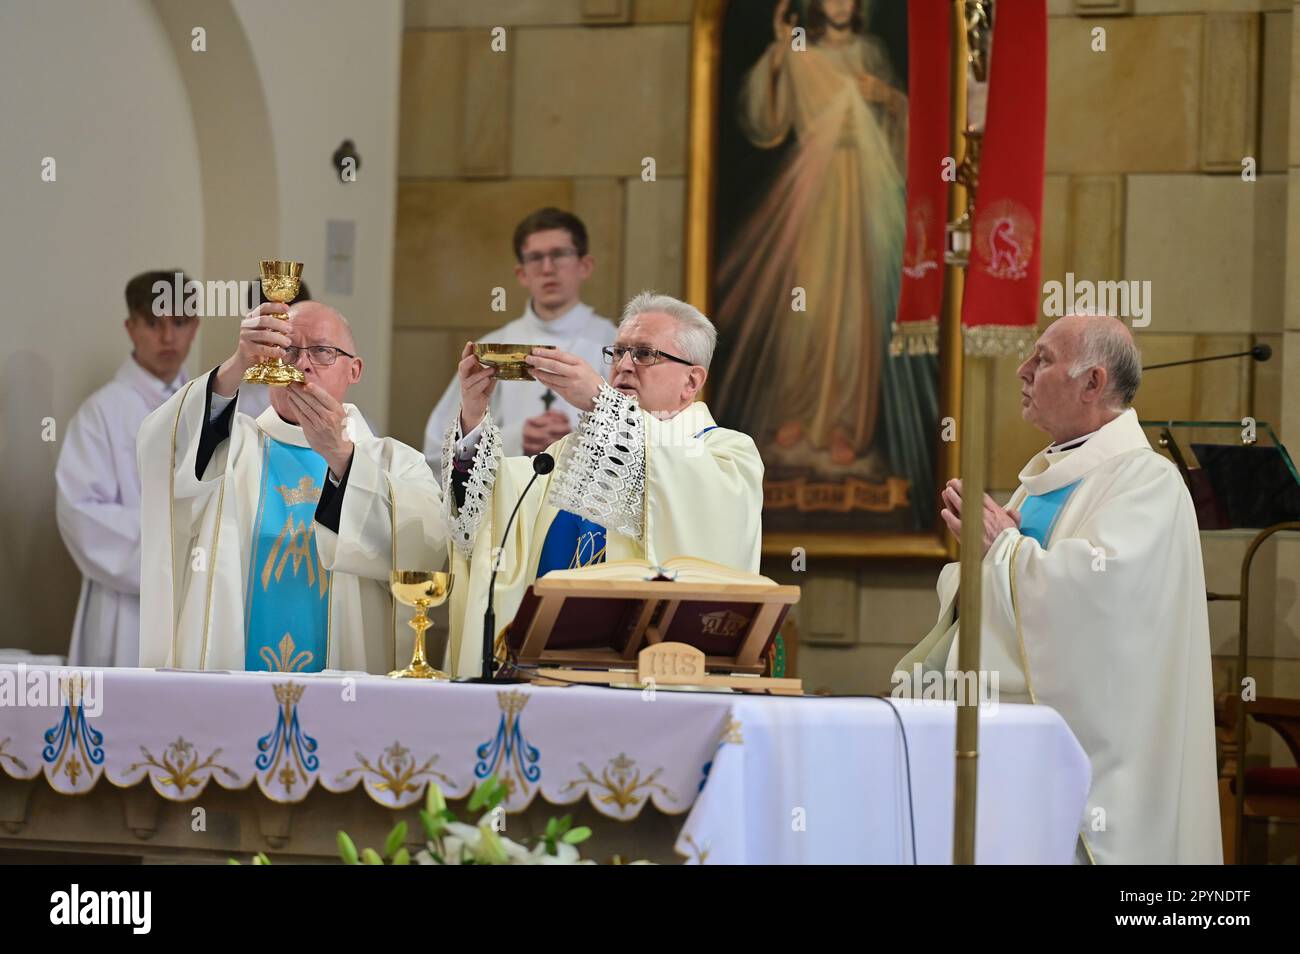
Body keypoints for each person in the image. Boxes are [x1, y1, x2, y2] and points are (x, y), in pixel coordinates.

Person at [895, 314, 1221, 864]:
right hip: (1010, 756)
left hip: (1098, 769)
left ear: (1092, 383)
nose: (1022, 370)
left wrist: (1004, 549)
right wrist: (986, 561)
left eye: (1042, 359)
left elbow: (1103, 608)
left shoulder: (1146, 482)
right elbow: (1011, 584)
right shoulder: (1047, 477)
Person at [439, 292, 764, 678]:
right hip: (543, 680)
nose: (624, 366)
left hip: (644, 685)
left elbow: (701, 509)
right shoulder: (567, 454)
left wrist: (600, 401)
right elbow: (488, 517)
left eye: (645, 354)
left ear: (691, 381)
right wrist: (474, 415)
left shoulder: (727, 454)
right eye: (618, 352)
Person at [137, 300, 447, 673]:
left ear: (355, 370)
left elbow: (426, 555)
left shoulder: (396, 464)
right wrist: (237, 365)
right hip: (233, 694)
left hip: (345, 700)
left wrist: (344, 461)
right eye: (287, 352)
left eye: (322, 351)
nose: (302, 365)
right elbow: (163, 451)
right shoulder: (228, 449)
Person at [57, 270, 199, 667]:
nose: (168, 337)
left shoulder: (212, 408)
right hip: (126, 610)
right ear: (131, 327)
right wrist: (179, 550)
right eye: (154, 323)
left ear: (196, 326)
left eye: (180, 322)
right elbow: (81, 515)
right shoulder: (101, 413)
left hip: (200, 606)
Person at [421, 207, 615, 476]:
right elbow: (436, 453)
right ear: (521, 273)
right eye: (535, 258)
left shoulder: (614, 345)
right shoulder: (494, 348)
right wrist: (514, 439)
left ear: (585, 266)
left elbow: (645, 439)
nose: (547, 268)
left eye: (559, 254)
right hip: (508, 507)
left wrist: (575, 439)